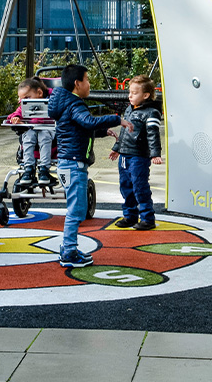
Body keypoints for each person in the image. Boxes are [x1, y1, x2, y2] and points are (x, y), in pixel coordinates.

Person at [48, 64, 132, 268]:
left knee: (77, 208)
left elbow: (77, 128)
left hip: (70, 162)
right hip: (73, 163)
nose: (89, 84)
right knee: (76, 210)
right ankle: (68, 252)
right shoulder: (75, 104)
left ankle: (69, 247)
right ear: (77, 84)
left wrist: (104, 132)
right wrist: (116, 120)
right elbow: (87, 122)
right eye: (87, 79)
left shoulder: (66, 103)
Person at [109, 74, 163, 230]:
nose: (130, 96)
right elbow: (124, 131)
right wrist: (117, 148)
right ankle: (130, 216)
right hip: (125, 155)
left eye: (134, 93)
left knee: (139, 186)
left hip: (139, 156)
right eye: (129, 92)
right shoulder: (129, 110)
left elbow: (153, 134)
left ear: (145, 95)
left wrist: (155, 154)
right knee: (125, 186)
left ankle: (147, 218)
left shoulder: (152, 113)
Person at [4, 77, 56, 186]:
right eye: (22, 100)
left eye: (27, 98)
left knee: (44, 135)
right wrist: (16, 118)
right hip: (32, 130)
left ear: (39, 93)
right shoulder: (26, 105)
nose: (24, 102)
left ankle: (44, 169)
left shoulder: (54, 101)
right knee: (28, 137)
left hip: (49, 130)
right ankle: (28, 168)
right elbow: (15, 114)